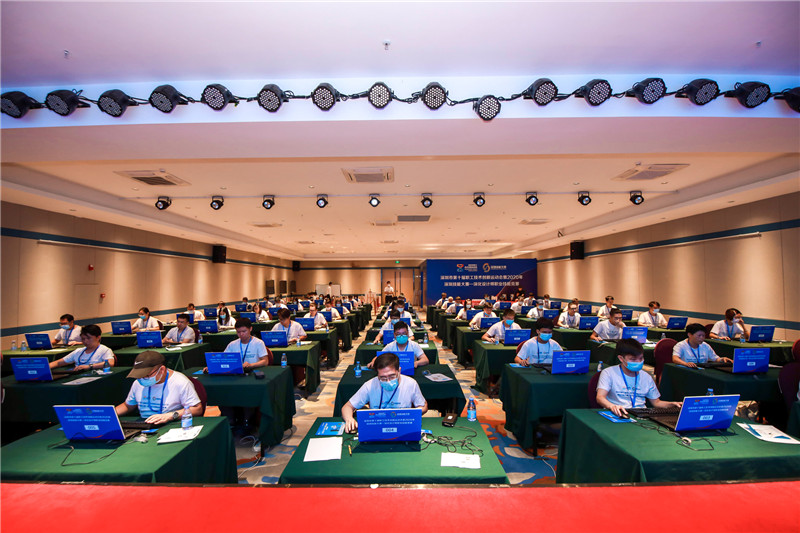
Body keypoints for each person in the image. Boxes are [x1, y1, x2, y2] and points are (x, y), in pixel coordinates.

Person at [342, 352, 427, 432]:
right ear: (378, 375)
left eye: (392, 376)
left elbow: (423, 406)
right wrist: (349, 418)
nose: (388, 381)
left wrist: (411, 414)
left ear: (399, 371)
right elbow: (347, 407)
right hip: (377, 426)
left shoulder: (411, 383)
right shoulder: (370, 385)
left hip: (402, 426)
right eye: (383, 378)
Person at [596, 338, 682, 417]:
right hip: (619, 413)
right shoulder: (609, 373)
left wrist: (672, 404)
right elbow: (600, 397)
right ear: (621, 358)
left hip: (641, 415)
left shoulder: (646, 377)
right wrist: (611, 406)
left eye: (641, 358)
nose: (638, 362)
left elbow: (656, 402)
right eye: (633, 359)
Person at [116, 350, 202, 425]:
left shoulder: (180, 382)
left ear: (162, 370)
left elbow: (197, 409)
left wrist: (170, 416)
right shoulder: (137, 383)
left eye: (147, 375)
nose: (142, 379)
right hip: (144, 424)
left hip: (170, 424)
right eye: (139, 376)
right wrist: (111, 414)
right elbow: (128, 406)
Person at [49, 324, 115, 371]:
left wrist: (89, 366)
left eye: (88, 338)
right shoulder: (78, 351)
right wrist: (46, 367)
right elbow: (58, 363)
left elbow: (110, 363)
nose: (85, 341)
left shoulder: (104, 350)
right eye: (83, 339)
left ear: (98, 337)